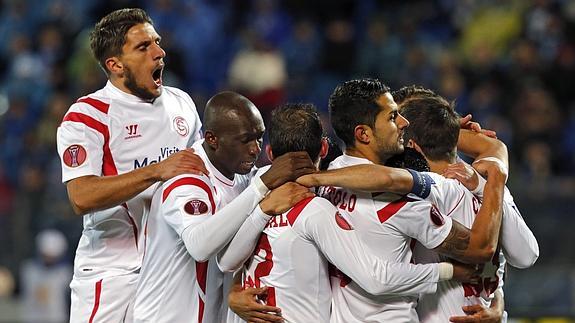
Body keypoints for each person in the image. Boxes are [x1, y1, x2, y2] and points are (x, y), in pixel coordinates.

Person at [219, 103, 479, 322]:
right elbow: (376, 278)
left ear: (269, 153)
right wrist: (449, 271)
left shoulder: (256, 187)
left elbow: (227, 261)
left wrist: (235, 289)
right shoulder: (318, 207)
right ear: (323, 148)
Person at [309, 78, 507, 322]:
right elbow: (481, 248)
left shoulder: (327, 180)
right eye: (393, 118)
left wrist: (446, 128)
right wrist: (497, 179)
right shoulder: (400, 203)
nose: (403, 123)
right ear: (363, 133)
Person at [56, 8, 208, 322]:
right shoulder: (88, 115)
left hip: (170, 270)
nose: (159, 52)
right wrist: (157, 170)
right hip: (112, 272)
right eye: (144, 47)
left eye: (157, 42)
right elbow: (81, 196)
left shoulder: (182, 103)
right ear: (115, 65)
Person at [133, 91, 316, 323]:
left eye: (259, 137)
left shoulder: (241, 175)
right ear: (212, 139)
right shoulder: (187, 178)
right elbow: (200, 246)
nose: (255, 148)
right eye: (245, 139)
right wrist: (263, 186)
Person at [393, 85, 538, 322]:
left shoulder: (420, 191)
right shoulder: (493, 184)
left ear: (410, 143)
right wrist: (497, 299)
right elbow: (526, 256)